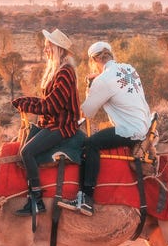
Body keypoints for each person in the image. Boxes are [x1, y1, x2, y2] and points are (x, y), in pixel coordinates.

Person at [65, 40, 152, 214]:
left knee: (91, 144)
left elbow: (87, 112)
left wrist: (90, 86)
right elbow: (117, 84)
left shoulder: (103, 80)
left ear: (93, 61)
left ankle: (86, 199)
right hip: (145, 124)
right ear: (111, 55)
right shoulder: (129, 69)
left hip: (129, 130)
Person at [11, 29, 82, 215]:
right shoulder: (59, 71)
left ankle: (36, 199)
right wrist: (26, 101)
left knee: (27, 152)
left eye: (47, 47)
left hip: (62, 126)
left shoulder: (65, 73)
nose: (45, 51)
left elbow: (52, 106)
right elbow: (48, 102)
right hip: (53, 123)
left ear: (57, 49)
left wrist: (27, 104)